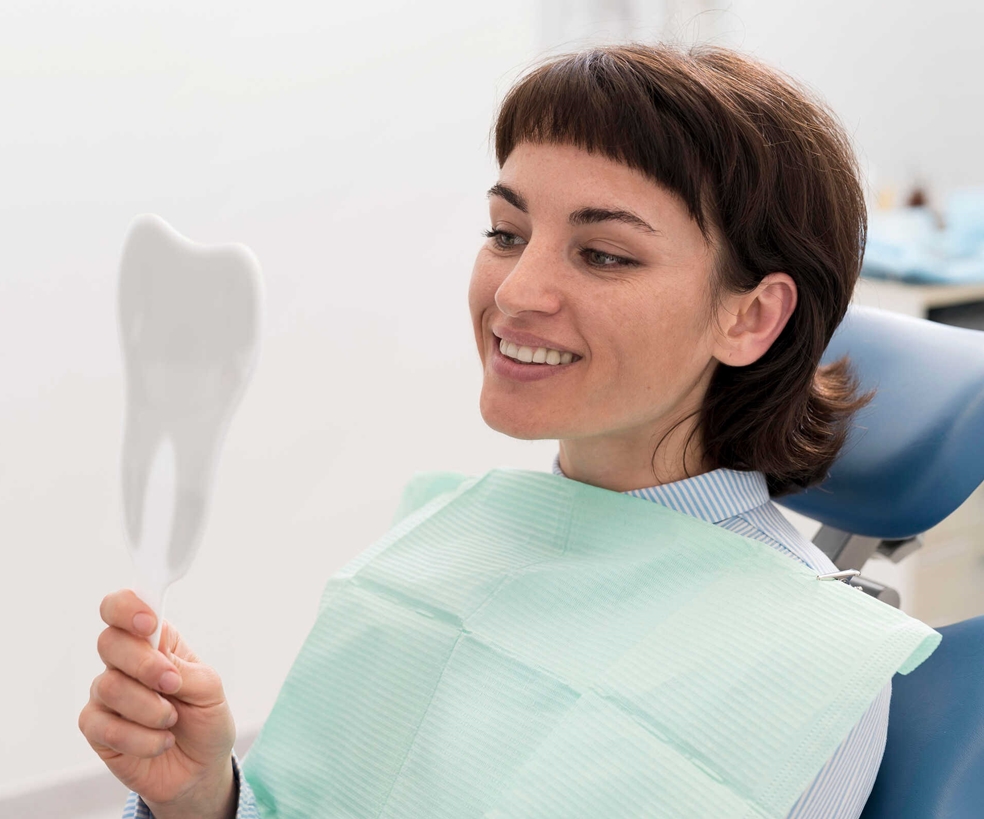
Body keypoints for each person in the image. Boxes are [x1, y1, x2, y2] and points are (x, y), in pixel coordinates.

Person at [80, 41, 888, 818]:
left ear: (750, 317)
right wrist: (202, 799)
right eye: (507, 234)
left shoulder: (812, 664)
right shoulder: (450, 536)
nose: (516, 292)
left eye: (603, 254)